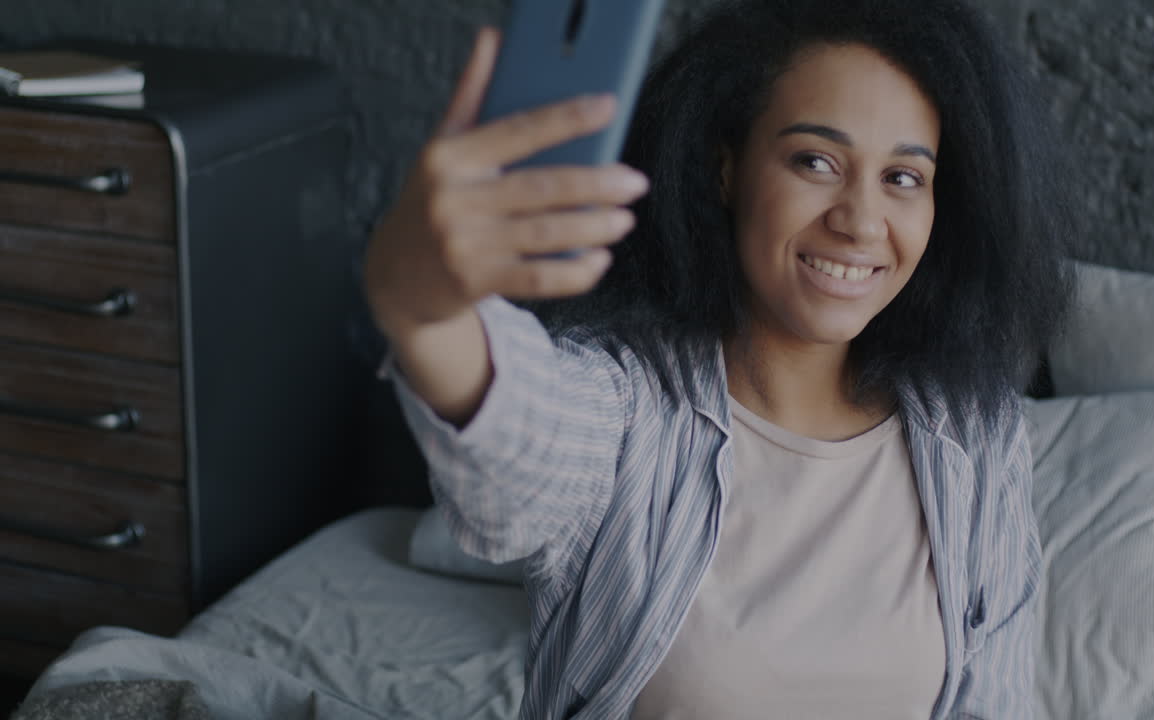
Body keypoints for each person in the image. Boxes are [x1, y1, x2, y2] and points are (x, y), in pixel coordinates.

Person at [363, 0, 1075, 716]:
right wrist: (422, 307)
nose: (861, 221)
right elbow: (518, 431)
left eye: (903, 177)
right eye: (816, 161)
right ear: (726, 168)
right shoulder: (631, 414)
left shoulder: (975, 436)